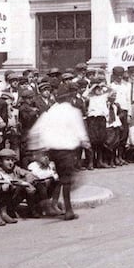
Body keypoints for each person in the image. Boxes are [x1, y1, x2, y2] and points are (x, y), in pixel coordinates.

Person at [26, 87, 88, 220]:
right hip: (67, 150)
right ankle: (68, 210)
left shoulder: (50, 112)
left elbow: (35, 131)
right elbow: (80, 130)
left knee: (60, 178)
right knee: (67, 181)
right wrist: (84, 141)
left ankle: (52, 203)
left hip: (52, 150)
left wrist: (37, 150)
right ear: (69, 98)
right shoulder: (73, 112)